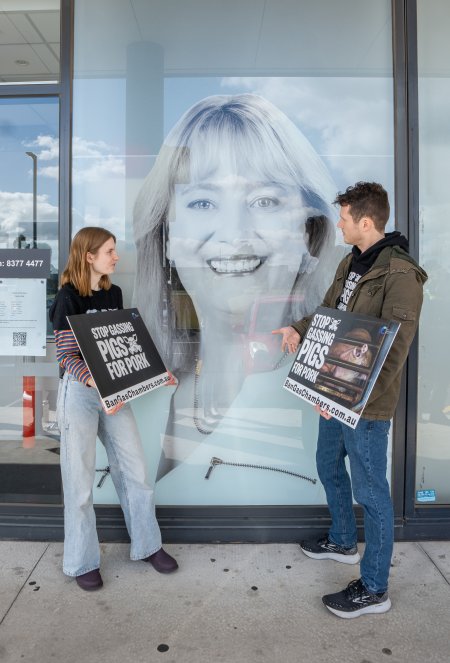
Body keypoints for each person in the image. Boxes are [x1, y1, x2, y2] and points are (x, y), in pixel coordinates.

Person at [133, 93, 340, 482]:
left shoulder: (327, 393)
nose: (235, 234)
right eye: (203, 203)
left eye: (264, 200)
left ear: (308, 233)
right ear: (166, 238)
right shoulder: (149, 389)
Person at [274, 182, 427, 618]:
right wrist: (299, 329)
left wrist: (349, 401)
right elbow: (329, 313)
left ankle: (375, 588)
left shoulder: (401, 275)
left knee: (372, 492)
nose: (338, 223)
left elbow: (393, 353)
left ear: (364, 221)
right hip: (333, 393)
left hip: (363, 405)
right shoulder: (352, 262)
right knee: (327, 465)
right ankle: (342, 540)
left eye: (343, 217)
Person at [49, 226, 178, 591]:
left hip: (113, 395)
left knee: (135, 470)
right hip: (80, 393)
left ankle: (149, 545)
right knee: (79, 481)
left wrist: (157, 374)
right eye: (109, 251)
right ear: (89, 256)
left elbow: (123, 349)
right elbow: (66, 356)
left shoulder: (114, 293)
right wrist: (97, 385)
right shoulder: (67, 299)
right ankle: (81, 561)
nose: (116, 257)